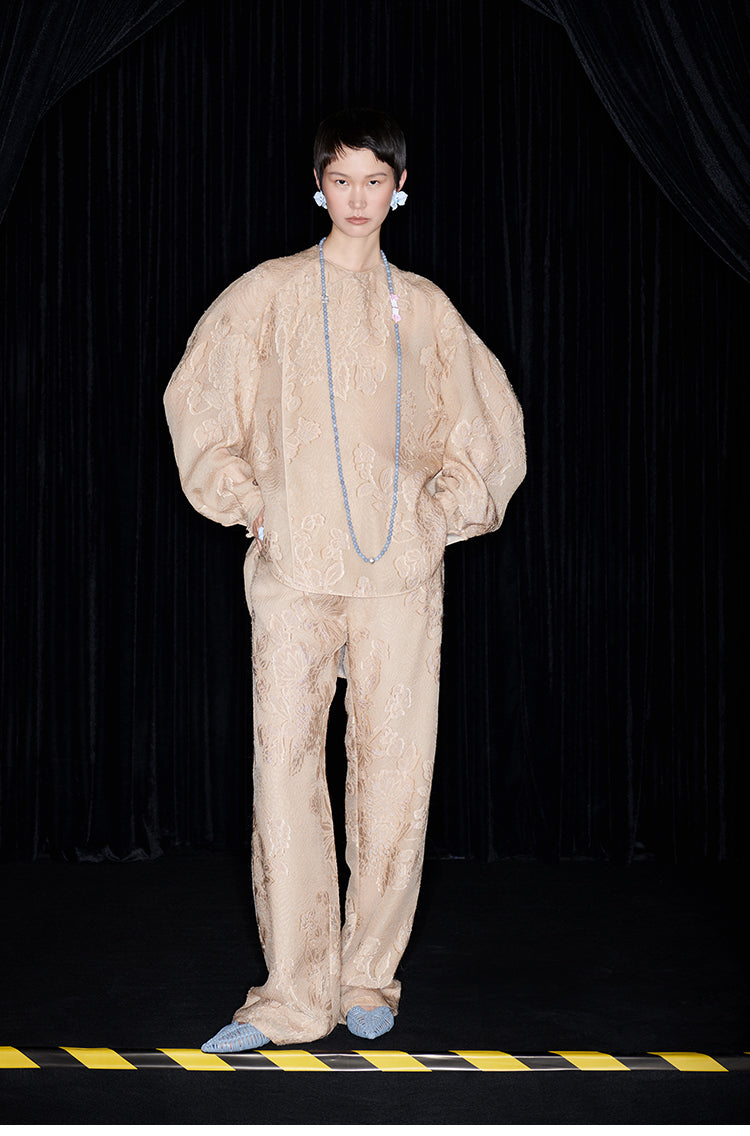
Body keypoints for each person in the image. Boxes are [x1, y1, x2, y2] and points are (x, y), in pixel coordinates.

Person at [164, 108, 526, 1051]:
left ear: (399, 189)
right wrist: (251, 501)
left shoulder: (427, 307)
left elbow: (487, 423)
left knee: (395, 772)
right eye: (341, 179)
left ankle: (368, 976)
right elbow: (198, 399)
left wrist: (438, 516)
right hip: (295, 570)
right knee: (284, 772)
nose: (357, 197)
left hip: (399, 575)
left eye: (375, 180)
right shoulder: (269, 293)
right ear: (317, 186)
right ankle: (291, 994)